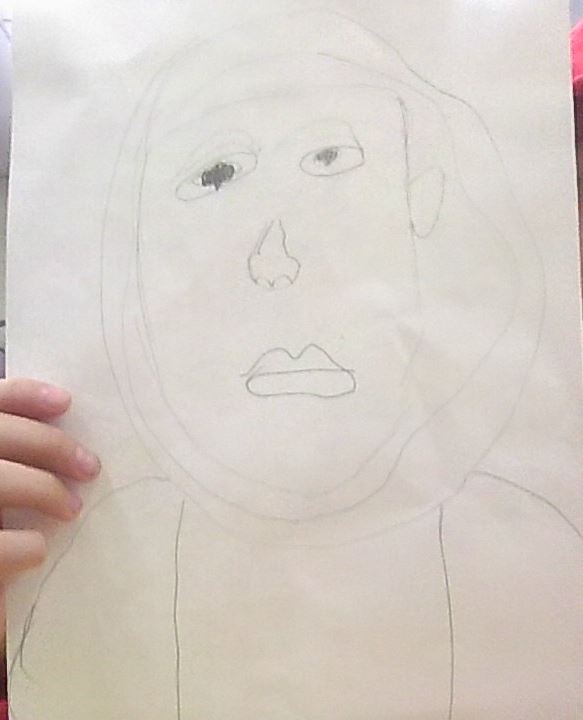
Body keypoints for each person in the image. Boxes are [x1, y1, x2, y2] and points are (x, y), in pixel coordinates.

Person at [0, 11, 582, 720]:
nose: (276, 254)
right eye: (216, 175)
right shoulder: (85, 563)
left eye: (330, 158)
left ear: (423, 200)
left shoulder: (535, 551)